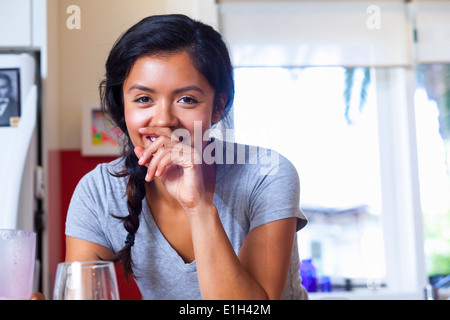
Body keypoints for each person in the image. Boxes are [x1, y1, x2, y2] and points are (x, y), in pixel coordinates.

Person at [35, 14, 308, 300]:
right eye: (143, 99)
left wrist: (198, 206)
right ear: (122, 105)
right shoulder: (99, 191)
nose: (164, 119)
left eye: (186, 99)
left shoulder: (267, 174)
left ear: (218, 107)